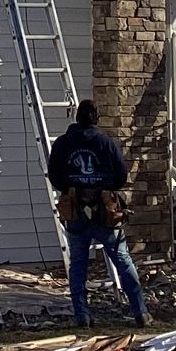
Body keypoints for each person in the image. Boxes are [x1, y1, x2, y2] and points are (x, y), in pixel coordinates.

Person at [46, 101, 150, 327]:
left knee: (78, 264)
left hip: (75, 211)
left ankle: (82, 315)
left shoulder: (63, 144)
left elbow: (54, 175)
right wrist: (102, 187)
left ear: (76, 117)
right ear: (96, 118)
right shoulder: (106, 143)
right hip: (105, 212)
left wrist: (72, 187)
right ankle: (140, 312)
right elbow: (121, 176)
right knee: (123, 260)